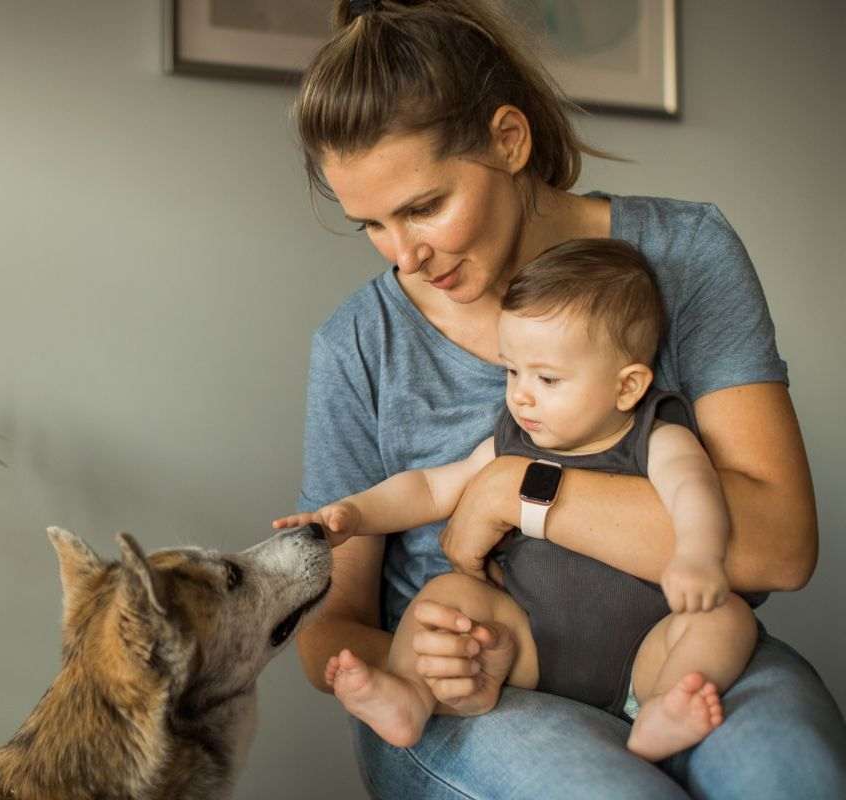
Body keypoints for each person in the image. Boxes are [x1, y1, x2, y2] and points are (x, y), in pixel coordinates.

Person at [288, 1, 846, 797]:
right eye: (370, 225)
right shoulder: (358, 343)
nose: (405, 257)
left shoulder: (684, 256)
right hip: (488, 680)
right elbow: (328, 632)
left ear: (509, 140)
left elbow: (780, 547)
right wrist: (429, 660)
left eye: (424, 207)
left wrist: (520, 490)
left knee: (792, 779)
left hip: (674, 649)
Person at [275, 238, 758, 762]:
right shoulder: (512, 440)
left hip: (646, 650)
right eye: (512, 371)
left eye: (547, 378)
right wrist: (356, 514)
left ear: (627, 387)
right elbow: (431, 487)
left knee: (727, 618)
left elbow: (694, 492)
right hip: (529, 644)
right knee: (447, 594)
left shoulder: (657, 437)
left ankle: (663, 708)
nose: (521, 395)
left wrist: (698, 556)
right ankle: (412, 695)